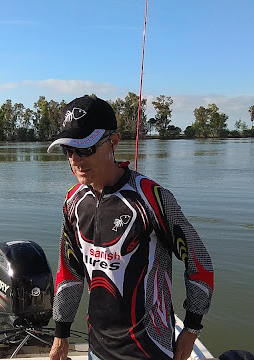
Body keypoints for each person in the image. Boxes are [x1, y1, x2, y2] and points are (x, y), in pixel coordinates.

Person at [47, 95, 214, 360]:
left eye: (85, 149)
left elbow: (200, 263)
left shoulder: (152, 198)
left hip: (150, 349)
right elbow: (69, 273)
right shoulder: (73, 202)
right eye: (69, 150)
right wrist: (61, 336)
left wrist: (191, 328)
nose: (76, 159)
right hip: (98, 348)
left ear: (113, 141)